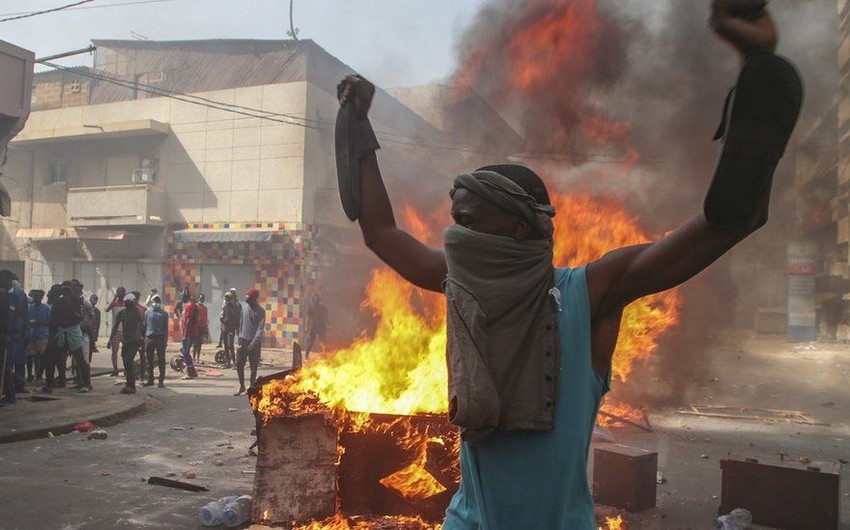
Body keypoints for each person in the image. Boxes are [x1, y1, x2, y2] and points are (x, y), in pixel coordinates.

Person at [336, 2, 802, 527]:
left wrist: (757, 68)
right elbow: (381, 233)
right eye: (454, 222)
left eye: (470, 221)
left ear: (518, 227)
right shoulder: (462, 288)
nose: (456, 236)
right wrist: (357, 130)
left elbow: (727, 222)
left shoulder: (590, 292)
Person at [42, 281, 90, 394]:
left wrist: (70, 317)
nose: (66, 291)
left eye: (68, 289)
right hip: (59, 332)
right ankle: (49, 384)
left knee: (80, 359)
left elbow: (80, 317)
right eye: (64, 290)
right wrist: (53, 333)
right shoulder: (58, 301)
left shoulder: (77, 301)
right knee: (51, 358)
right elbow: (53, 319)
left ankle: (87, 383)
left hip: (72, 331)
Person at [108, 293, 144, 394]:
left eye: (129, 303)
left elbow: (142, 322)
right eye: (126, 302)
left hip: (135, 340)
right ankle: (129, 384)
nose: (127, 304)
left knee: (128, 360)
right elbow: (115, 326)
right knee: (125, 360)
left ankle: (132, 386)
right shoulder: (122, 313)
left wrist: (143, 339)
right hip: (126, 340)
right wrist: (110, 339)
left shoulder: (136, 312)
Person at [234, 288, 265, 396]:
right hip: (242, 340)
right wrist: (239, 338)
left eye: (248, 298)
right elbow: (241, 323)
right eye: (246, 297)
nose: (246, 300)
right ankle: (242, 386)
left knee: (253, 366)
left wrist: (254, 342)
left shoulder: (261, 312)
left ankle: (251, 386)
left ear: (254, 299)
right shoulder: (244, 308)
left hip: (254, 343)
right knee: (239, 364)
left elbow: (260, 329)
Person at [143, 295, 169, 388]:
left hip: (160, 338)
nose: (155, 302)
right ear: (152, 302)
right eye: (154, 300)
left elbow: (166, 329)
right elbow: (145, 326)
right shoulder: (147, 313)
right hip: (149, 337)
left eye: (157, 301)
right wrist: (144, 339)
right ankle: (150, 379)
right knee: (149, 360)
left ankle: (161, 380)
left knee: (161, 360)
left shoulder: (164, 314)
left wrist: (166, 341)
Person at [27, 289, 50, 385]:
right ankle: (29, 375)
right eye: (35, 296)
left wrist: (38, 322)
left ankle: (38, 375)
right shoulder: (29, 308)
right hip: (31, 335)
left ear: (42, 297)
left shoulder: (46, 308)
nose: (36, 298)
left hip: (42, 335)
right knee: (29, 356)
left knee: (40, 357)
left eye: (39, 296)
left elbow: (48, 322)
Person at [105, 286, 127, 376]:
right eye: (119, 292)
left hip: (125, 331)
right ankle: (115, 369)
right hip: (116, 331)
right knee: (114, 352)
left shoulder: (126, 303)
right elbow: (107, 309)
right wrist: (114, 298)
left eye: (122, 292)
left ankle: (126, 369)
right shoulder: (114, 303)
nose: (120, 293)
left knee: (126, 353)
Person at [179, 290, 200, 379]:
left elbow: (189, 321)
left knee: (185, 351)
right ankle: (192, 371)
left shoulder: (190, 306)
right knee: (184, 351)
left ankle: (191, 372)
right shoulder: (192, 305)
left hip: (189, 333)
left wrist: (185, 335)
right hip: (190, 333)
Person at [303, 293, 329, 360]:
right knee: (311, 342)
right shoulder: (311, 308)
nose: (316, 300)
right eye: (315, 298)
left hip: (321, 326)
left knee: (323, 342)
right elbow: (308, 318)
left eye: (317, 298)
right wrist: (306, 326)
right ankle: (306, 354)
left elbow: (326, 317)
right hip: (314, 327)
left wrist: (329, 325)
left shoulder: (323, 308)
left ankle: (325, 354)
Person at [220, 290, 241, 367]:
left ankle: (234, 362)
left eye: (228, 298)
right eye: (226, 298)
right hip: (225, 328)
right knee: (225, 345)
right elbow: (222, 317)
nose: (227, 300)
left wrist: (236, 327)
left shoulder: (235, 307)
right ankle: (228, 362)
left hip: (231, 329)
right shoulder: (225, 307)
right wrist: (222, 323)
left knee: (230, 345)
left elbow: (236, 318)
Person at [193, 293, 209, 363]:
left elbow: (206, 319)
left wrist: (206, 329)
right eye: (200, 298)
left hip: (202, 328)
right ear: (198, 299)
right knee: (195, 344)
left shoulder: (205, 308)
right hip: (196, 328)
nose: (201, 300)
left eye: (202, 298)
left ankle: (198, 358)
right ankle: (193, 358)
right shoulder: (196, 308)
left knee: (200, 344)